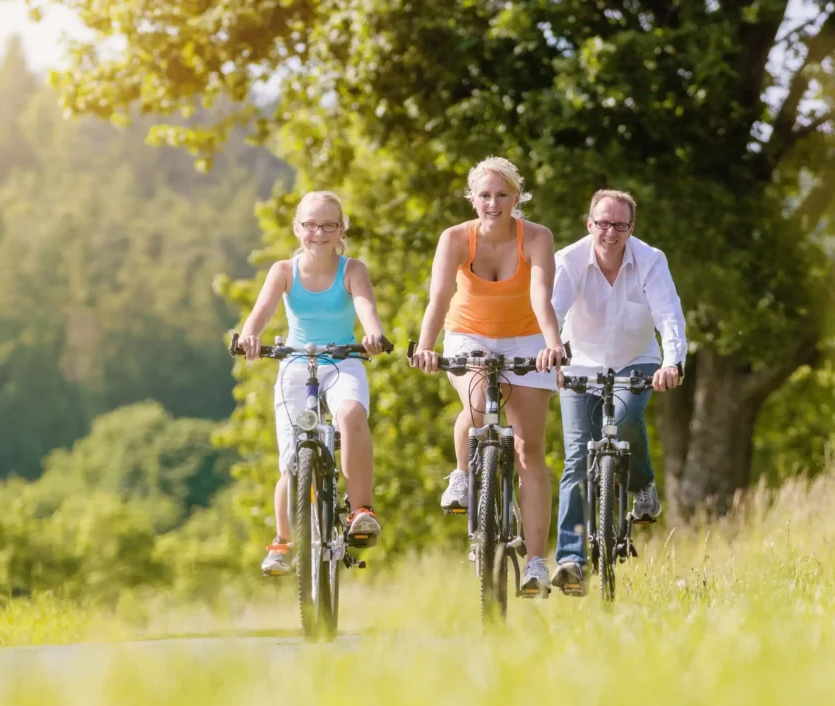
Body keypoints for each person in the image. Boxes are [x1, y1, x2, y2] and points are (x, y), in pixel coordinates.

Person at [410, 156, 565, 595]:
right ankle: (462, 474)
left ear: (517, 198)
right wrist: (425, 345)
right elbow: (438, 296)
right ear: (472, 198)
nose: (493, 203)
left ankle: (536, 561)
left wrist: (552, 344)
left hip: (526, 338)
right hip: (468, 334)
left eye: (502, 195)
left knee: (529, 448)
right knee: (476, 400)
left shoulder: (536, 237)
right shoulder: (456, 238)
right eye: (484, 195)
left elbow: (541, 297)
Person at [236, 191, 388, 576]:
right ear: (296, 228)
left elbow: (365, 306)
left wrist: (372, 333)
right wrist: (249, 336)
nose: (318, 233)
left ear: (341, 230)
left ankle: (361, 511)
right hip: (295, 363)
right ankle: (283, 540)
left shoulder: (353, 269)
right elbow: (262, 311)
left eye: (328, 225)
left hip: (343, 360)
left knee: (351, 414)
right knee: (292, 461)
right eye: (310, 225)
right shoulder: (284, 271)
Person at [550, 189, 687, 595]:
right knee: (576, 457)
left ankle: (642, 484)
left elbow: (669, 315)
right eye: (603, 223)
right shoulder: (569, 260)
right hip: (579, 366)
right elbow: (552, 313)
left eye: (620, 225)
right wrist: (550, 355)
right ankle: (571, 558)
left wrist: (672, 363)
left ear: (632, 228)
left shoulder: (651, 260)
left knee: (627, 419)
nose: (610, 232)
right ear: (589, 224)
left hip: (637, 362)